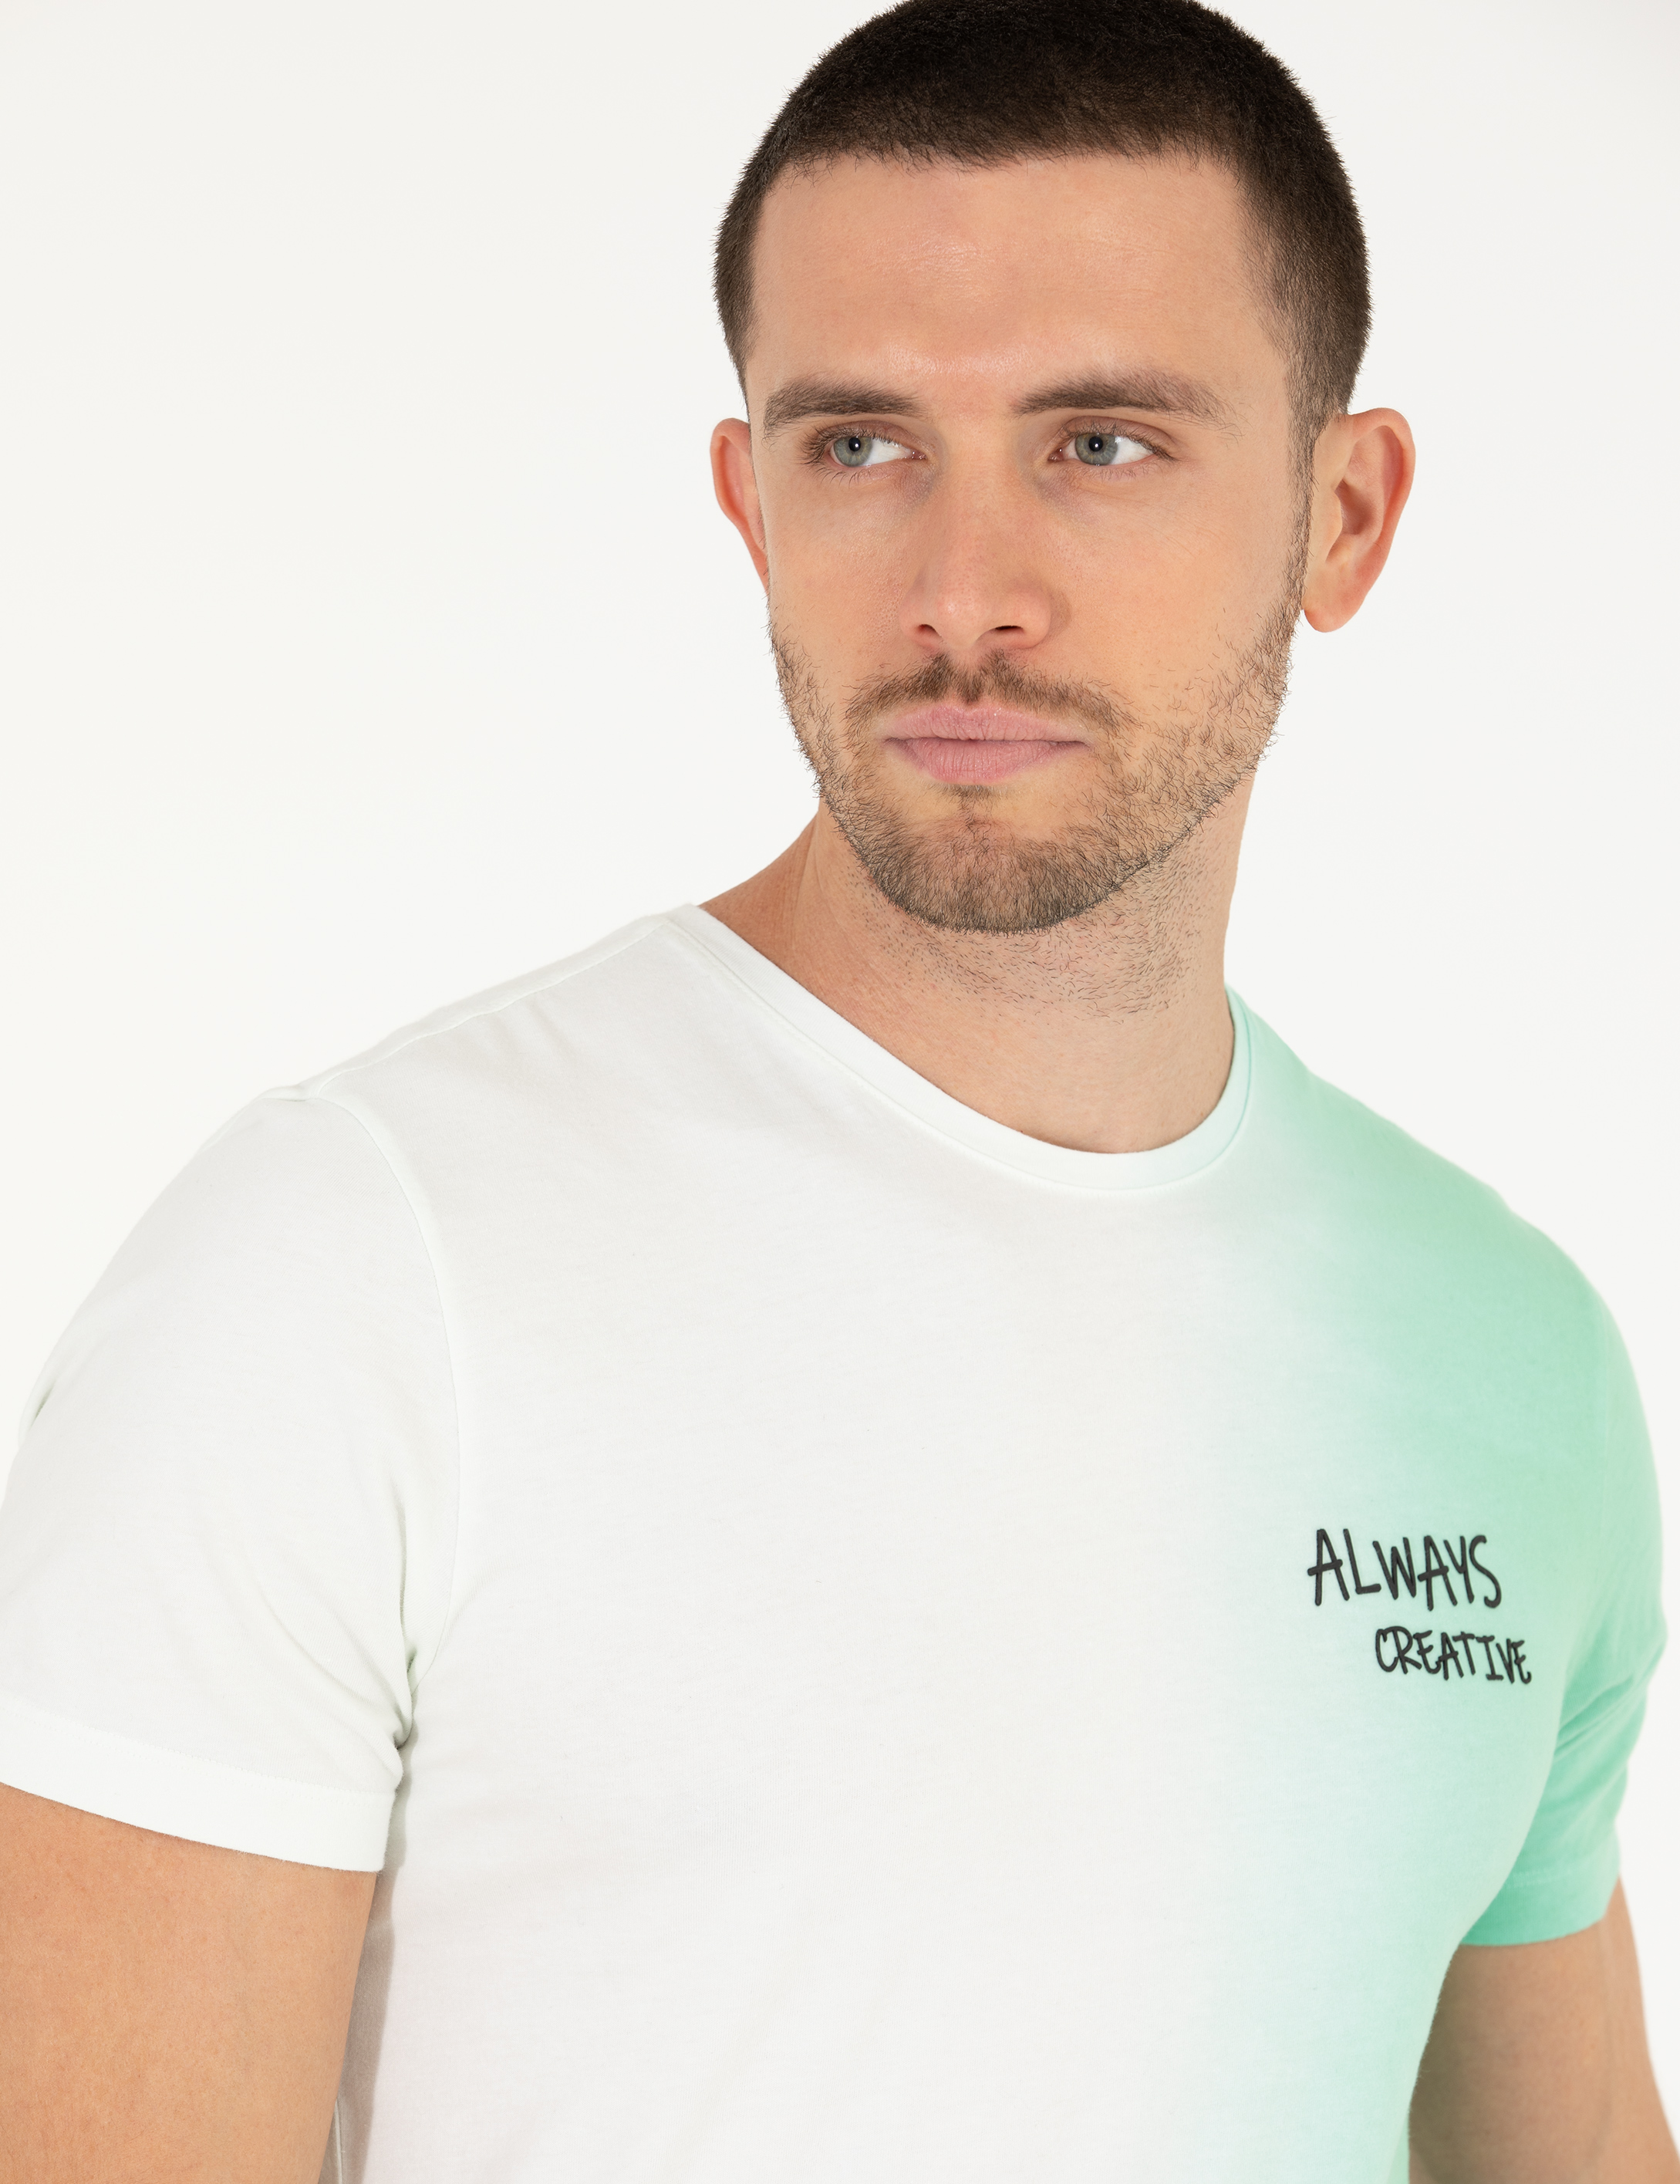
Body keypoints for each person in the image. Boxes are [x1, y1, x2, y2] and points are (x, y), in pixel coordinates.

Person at [0, 0, 1672, 2176]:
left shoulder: (1504, 1354)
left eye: (1100, 442)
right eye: (862, 445)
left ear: (1341, 517)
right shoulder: (344, 1275)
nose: (965, 595)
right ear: (749, 502)